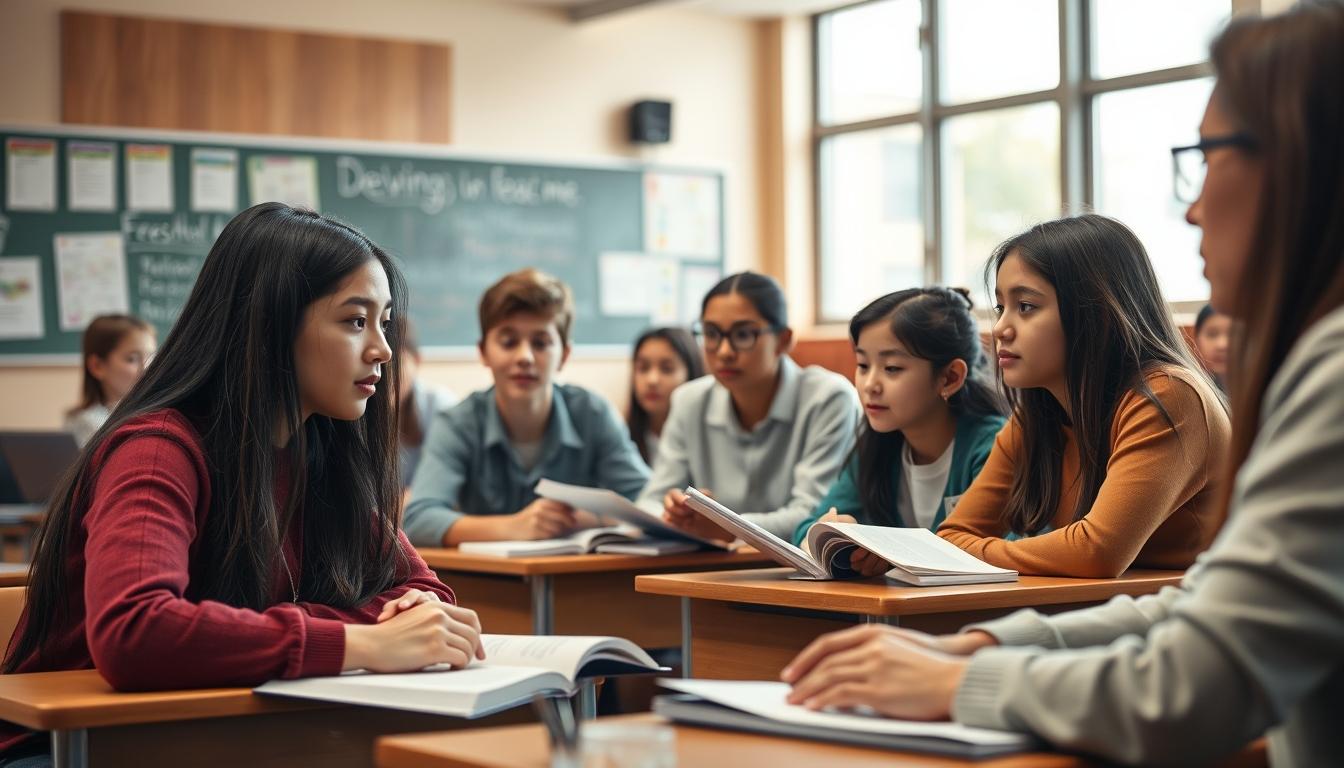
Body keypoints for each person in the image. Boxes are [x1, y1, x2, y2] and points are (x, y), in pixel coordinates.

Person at [781, 4, 1344, 764]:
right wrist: (986, 643)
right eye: (1001, 307)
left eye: (1208, 157)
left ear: (1302, 164)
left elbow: (1124, 591)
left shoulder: (1214, 390)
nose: (1191, 207)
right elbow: (1192, 601)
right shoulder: (1042, 412)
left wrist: (966, 676)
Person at [1, 203, 482, 761]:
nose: (383, 349)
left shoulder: (321, 452)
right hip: (69, 750)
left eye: (385, 322)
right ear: (271, 325)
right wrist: (360, 640)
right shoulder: (156, 449)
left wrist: (358, 631)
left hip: (209, 736)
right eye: (356, 321)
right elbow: (135, 631)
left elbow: (425, 597)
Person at [935, 214, 1231, 577]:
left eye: (1025, 306)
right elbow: (951, 536)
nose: (999, 329)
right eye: (1000, 308)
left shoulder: (1169, 396)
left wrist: (972, 554)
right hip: (1121, 605)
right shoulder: (1037, 416)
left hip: (1208, 605)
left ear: (1097, 313)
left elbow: (1097, 552)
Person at [403, 269, 649, 546]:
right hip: (488, 575)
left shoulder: (593, 414)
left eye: (540, 343)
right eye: (508, 342)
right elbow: (418, 520)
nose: (525, 357)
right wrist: (515, 526)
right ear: (483, 352)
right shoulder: (457, 423)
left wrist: (587, 518)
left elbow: (650, 501)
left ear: (564, 355)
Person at [790, 288, 1007, 577]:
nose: (870, 384)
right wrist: (834, 534)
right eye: (863, 365)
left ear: (950, 377)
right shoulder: (876, 445)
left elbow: (1011, 542)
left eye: (892, 368)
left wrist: (891, 552)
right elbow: (804, 531)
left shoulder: (993, 445)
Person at [639, 271, 861, 541]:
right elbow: (650, 501)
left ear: (783, 340)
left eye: (743, 334)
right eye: (711, 334)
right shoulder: (689, 400)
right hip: (710, 561)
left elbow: (813, 516)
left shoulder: (828, 399)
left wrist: (729, 528)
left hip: (798, 564)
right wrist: (674, 513)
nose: (724, 351)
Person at [63, 314, 157, 447]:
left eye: (152, 357)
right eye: (132, 359)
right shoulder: (87, 422)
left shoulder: (155, 413)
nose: (147, 368)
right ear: (97, 366)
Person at [395, 320, 457, 492]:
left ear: (416, 361)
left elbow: (447, 484)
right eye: (379, 365)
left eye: (396, 364)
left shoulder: (440, 405)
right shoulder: (352, 410)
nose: (385, 377)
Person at [627, 326, 704, 464]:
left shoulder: (707, 439)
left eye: (667, 369)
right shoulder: (621, 437)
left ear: (691, 374)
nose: (652, 380)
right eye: (643, 368)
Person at [1193, 302, 1232, 392]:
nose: (1222, 345)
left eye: (1233, 334)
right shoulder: (1193, 391)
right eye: (1212, 334)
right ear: (1197, 339)